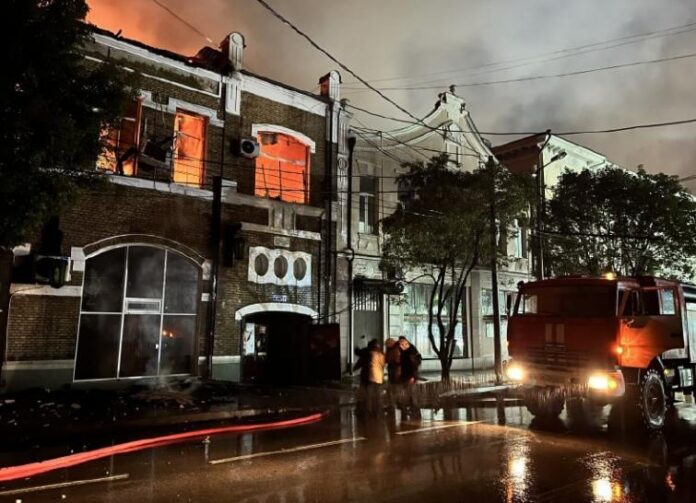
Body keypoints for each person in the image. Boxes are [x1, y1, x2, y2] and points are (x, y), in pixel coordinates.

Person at [398, 336, 422, 418]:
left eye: (402, 343)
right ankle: (412, 412)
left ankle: (414, 412)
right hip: (406, 375)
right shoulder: (406, 351)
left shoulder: (410, 352)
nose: (401, 345)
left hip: (409, 376)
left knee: (411, 394)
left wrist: (412, 376)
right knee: (408, 394)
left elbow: (413, 365)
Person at [365, 340, 386, 417]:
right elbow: (383, 365)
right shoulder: (381, 354)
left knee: (369, 396)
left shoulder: (370, 353)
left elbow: (367, 364)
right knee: (378, 396)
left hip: (371, 377)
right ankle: (378, 412)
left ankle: (369, 411)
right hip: (379, 377)